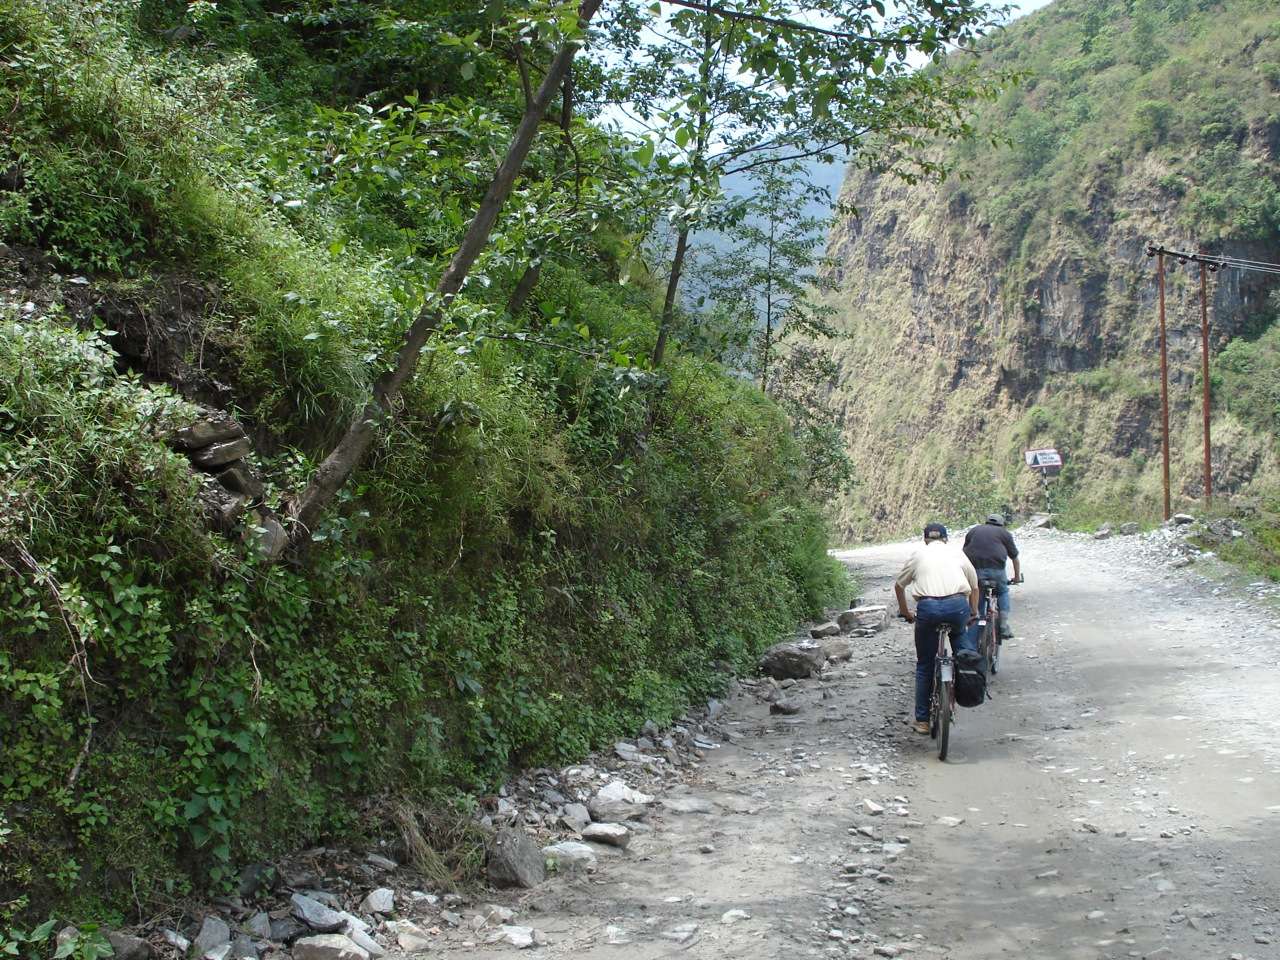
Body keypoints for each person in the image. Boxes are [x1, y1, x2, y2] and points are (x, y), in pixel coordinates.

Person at [894, 522, 980, 735]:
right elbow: (975, 586)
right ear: (945, 539)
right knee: (963, 648)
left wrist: (906, 612)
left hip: (928, 608)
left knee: (925, 664)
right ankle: (967, 681)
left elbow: (899, 585)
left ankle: (922, 721)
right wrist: (974, 612)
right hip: (957, 606)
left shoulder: (918, 555)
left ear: (925, 539)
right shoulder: (957, 554)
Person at [962, 513, 1023, 640]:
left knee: (976, 604)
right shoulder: (1004, 533)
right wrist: (1017, 577)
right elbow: (1015, 558)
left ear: (986, 522)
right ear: (1001, 524)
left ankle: (971, 646)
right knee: (1002, 592)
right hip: (997, 571)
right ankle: (1003, 624)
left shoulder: (974, 530)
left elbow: (963, 553)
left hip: (975, 570)